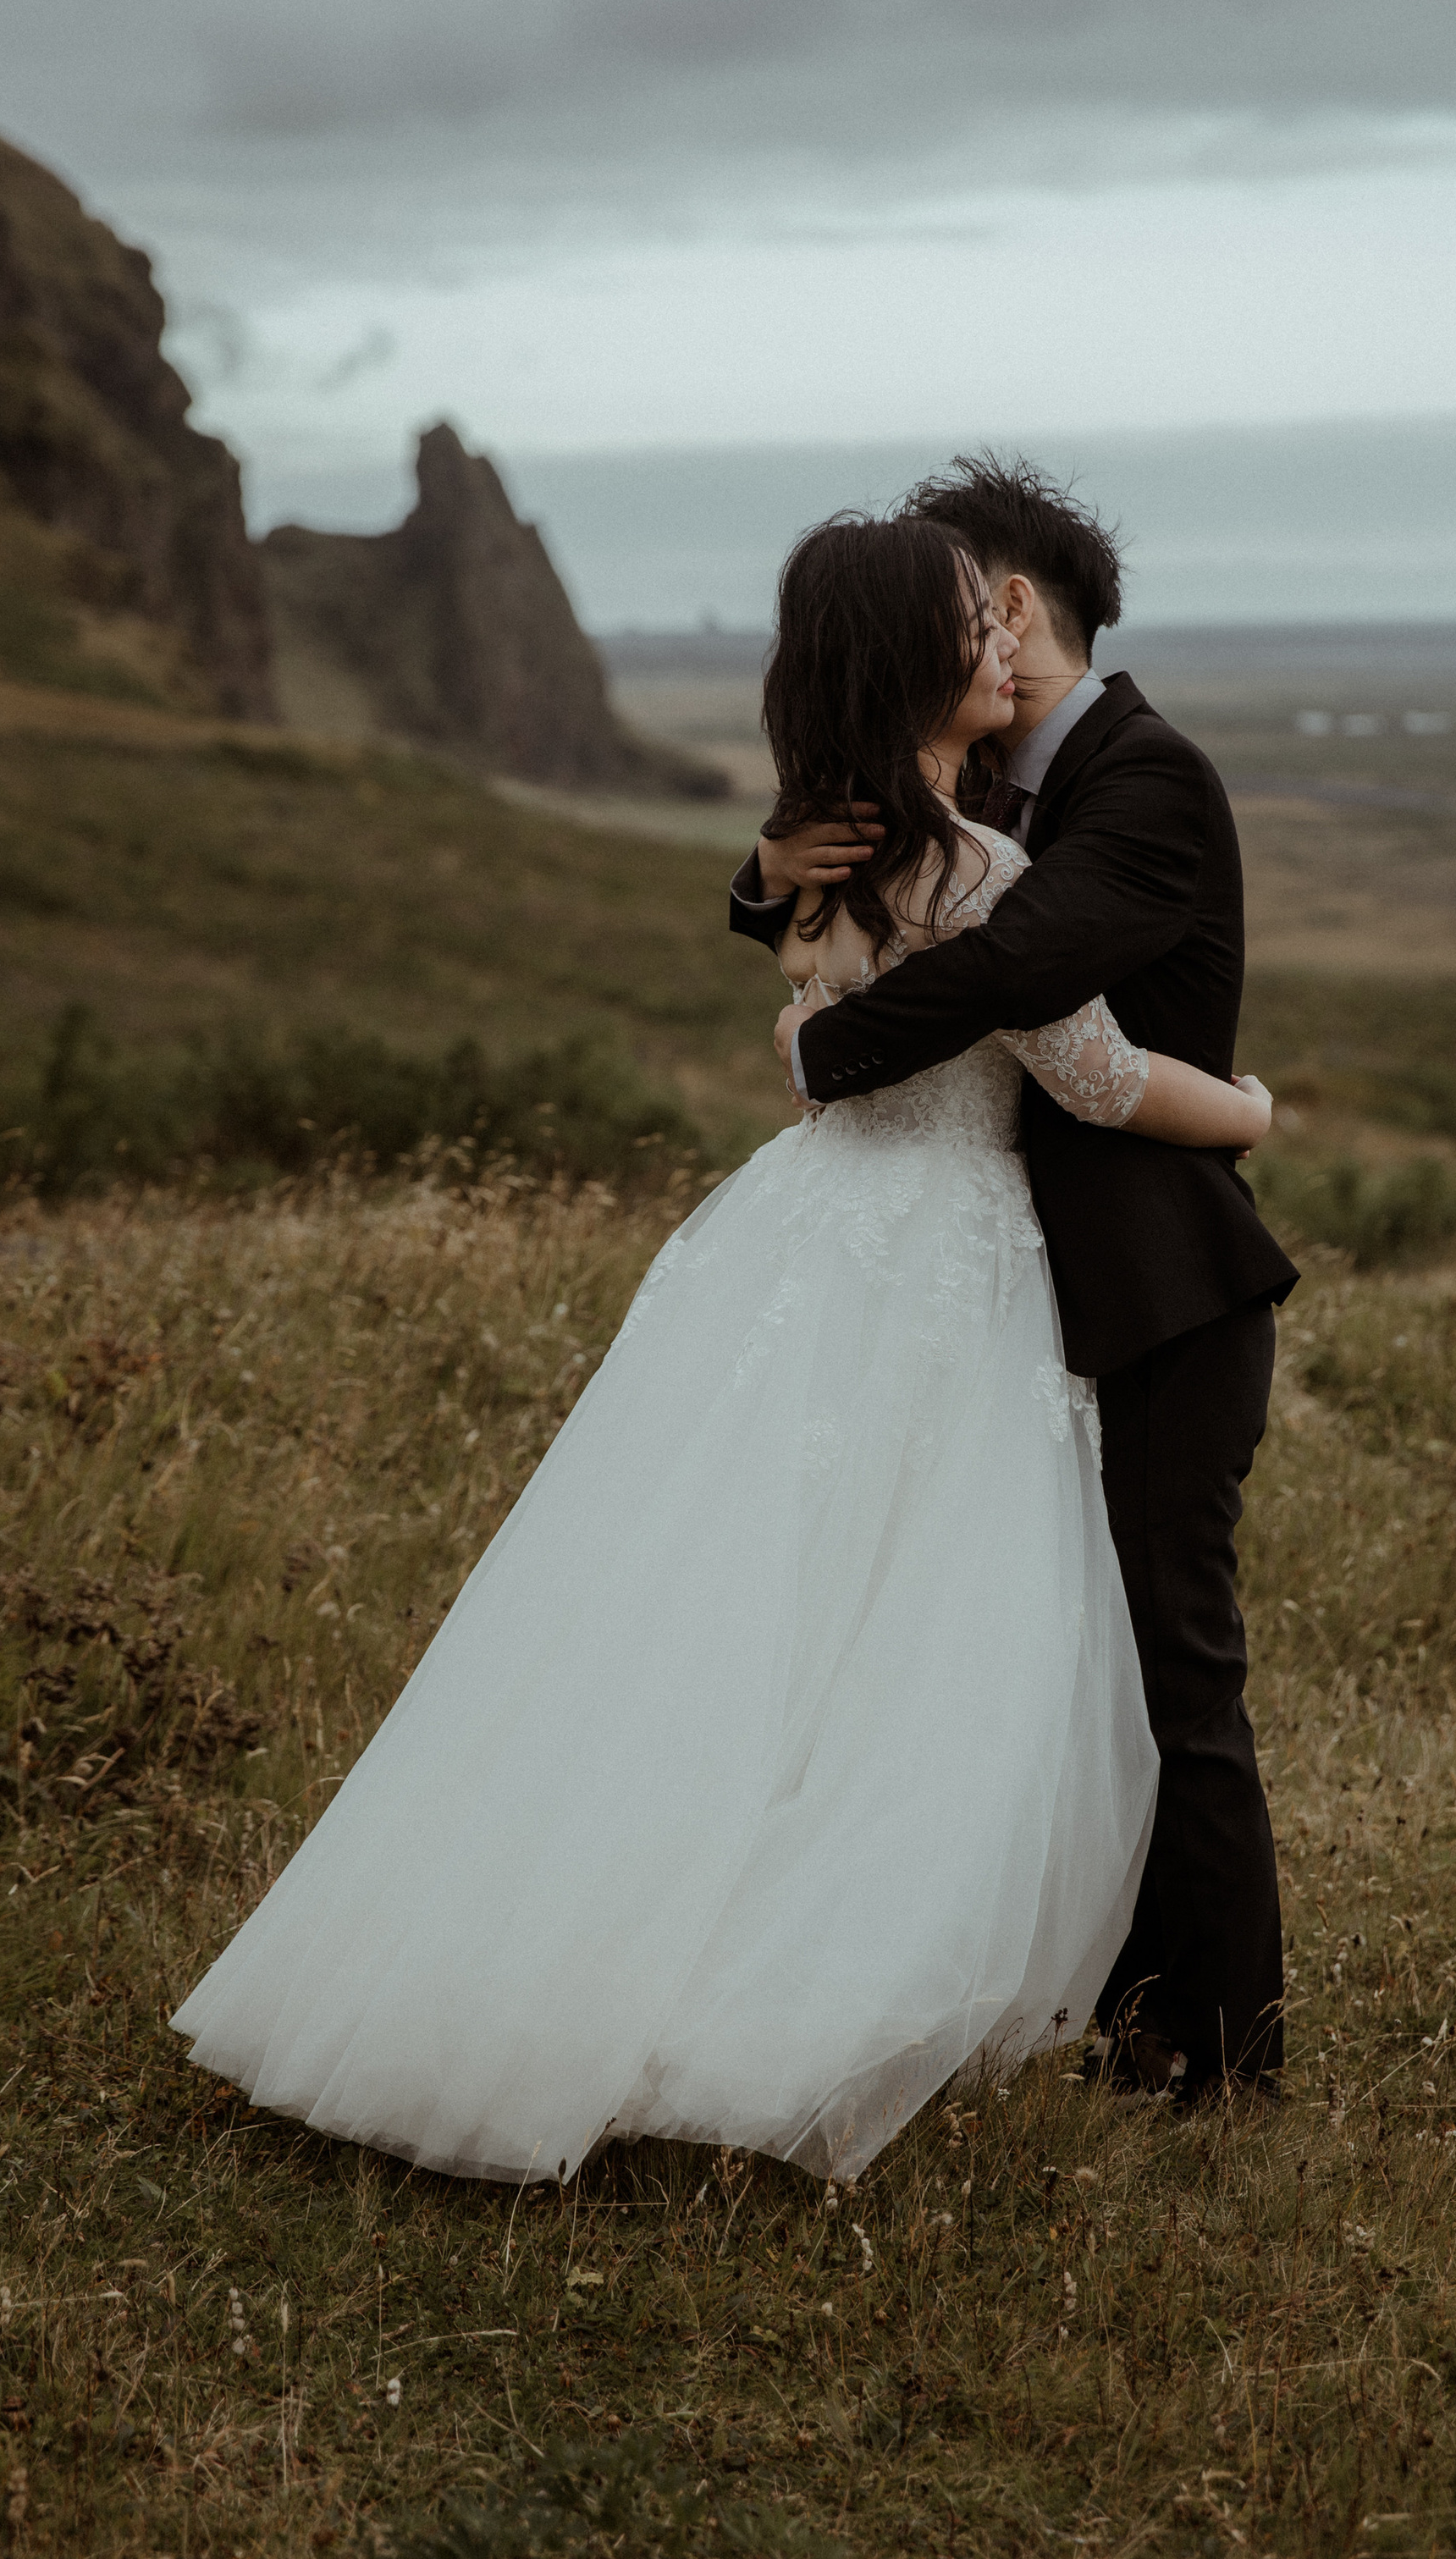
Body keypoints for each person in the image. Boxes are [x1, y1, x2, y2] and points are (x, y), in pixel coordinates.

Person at [171, 513, 1273, 2185]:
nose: (990, 644)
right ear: (934, 654)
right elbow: (1078, 1055)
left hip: (836, 1248)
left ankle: (1190, 2046)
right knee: (931, 1646)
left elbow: (839, 962)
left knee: (736, 1612)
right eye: (960, 626)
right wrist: (1251, 1113)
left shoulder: (999, 813)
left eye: (994, 614)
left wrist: (808, 980)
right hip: (948, 1261)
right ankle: (897, 2012)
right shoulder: (951, 855)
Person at [738, 457, 1299, 2105]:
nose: (953, 630)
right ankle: (1094, 2024)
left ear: (1010, 606)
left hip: (1160, 1290)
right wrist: (773, 875)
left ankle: (1217, 2069)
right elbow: (861, 877)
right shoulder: (968, 789)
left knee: (1167, 1668)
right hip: (1001, 1290)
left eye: (957, 593)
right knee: (1045, 1664)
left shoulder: (1147, 780)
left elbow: (1013, 968)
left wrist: (822, 1046)